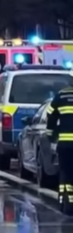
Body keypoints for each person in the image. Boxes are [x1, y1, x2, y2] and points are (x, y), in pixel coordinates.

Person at [47, 85, 73, 215]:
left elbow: (50, 115)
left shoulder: (61, 96)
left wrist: (51, 133)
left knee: (65, 171)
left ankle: (65, 199)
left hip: (65, 144)